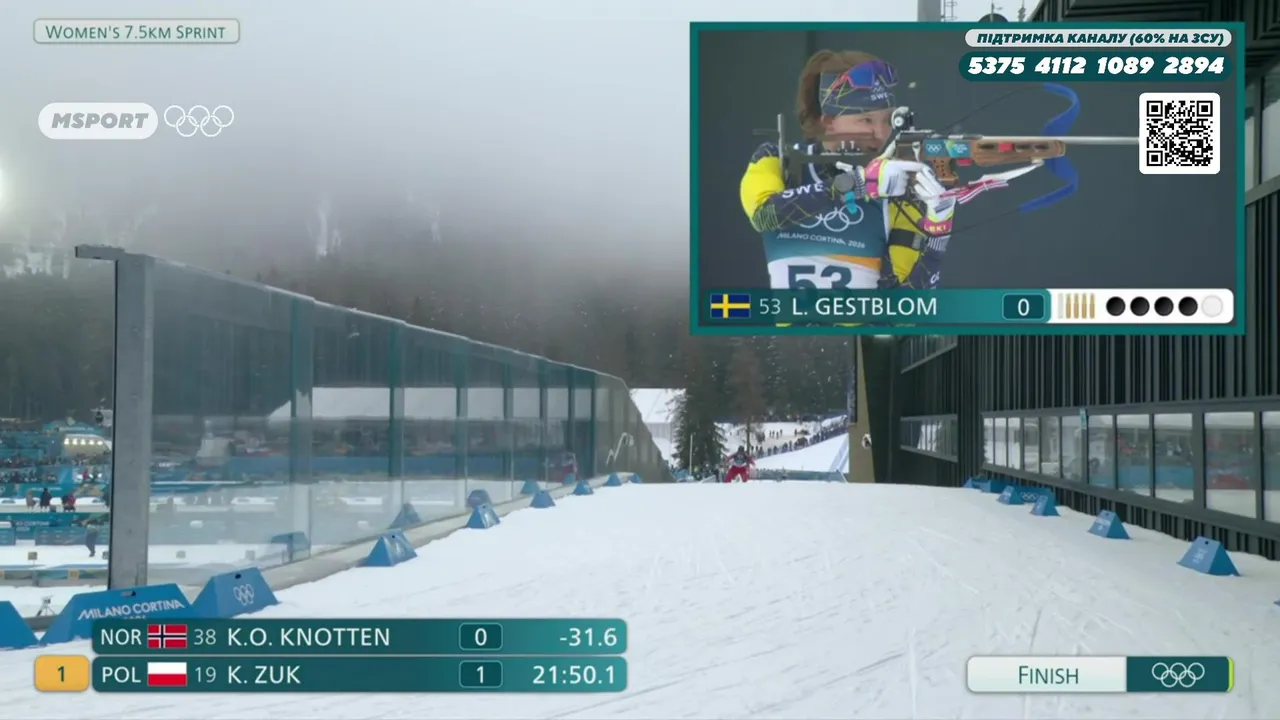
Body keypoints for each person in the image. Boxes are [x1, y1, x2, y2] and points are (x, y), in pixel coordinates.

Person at [739, 50, 954, 297]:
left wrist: (938, 235)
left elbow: (909, 305)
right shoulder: (776, 159)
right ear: (829, 121)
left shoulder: (897, 186)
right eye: (866, 120)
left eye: (888, 120)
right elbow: (765, 215)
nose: (880, 133)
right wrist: (859, 183)